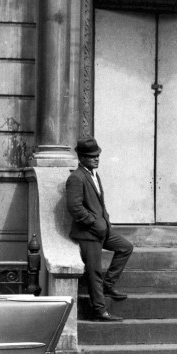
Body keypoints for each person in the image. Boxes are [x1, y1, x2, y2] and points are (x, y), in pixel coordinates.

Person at [66, 137, 134, 322]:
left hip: (103, 230)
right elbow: (74, 207)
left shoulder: (94, 175)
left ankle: (108, 285)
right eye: (91, 156)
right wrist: (93, 223)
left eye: (97, 155)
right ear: (81, 158)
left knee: (125, 247)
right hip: (88, 234)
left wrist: (105, 222)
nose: (96, 158)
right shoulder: (76, 177)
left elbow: (99, 204)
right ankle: (99, 310)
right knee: (94, 271)